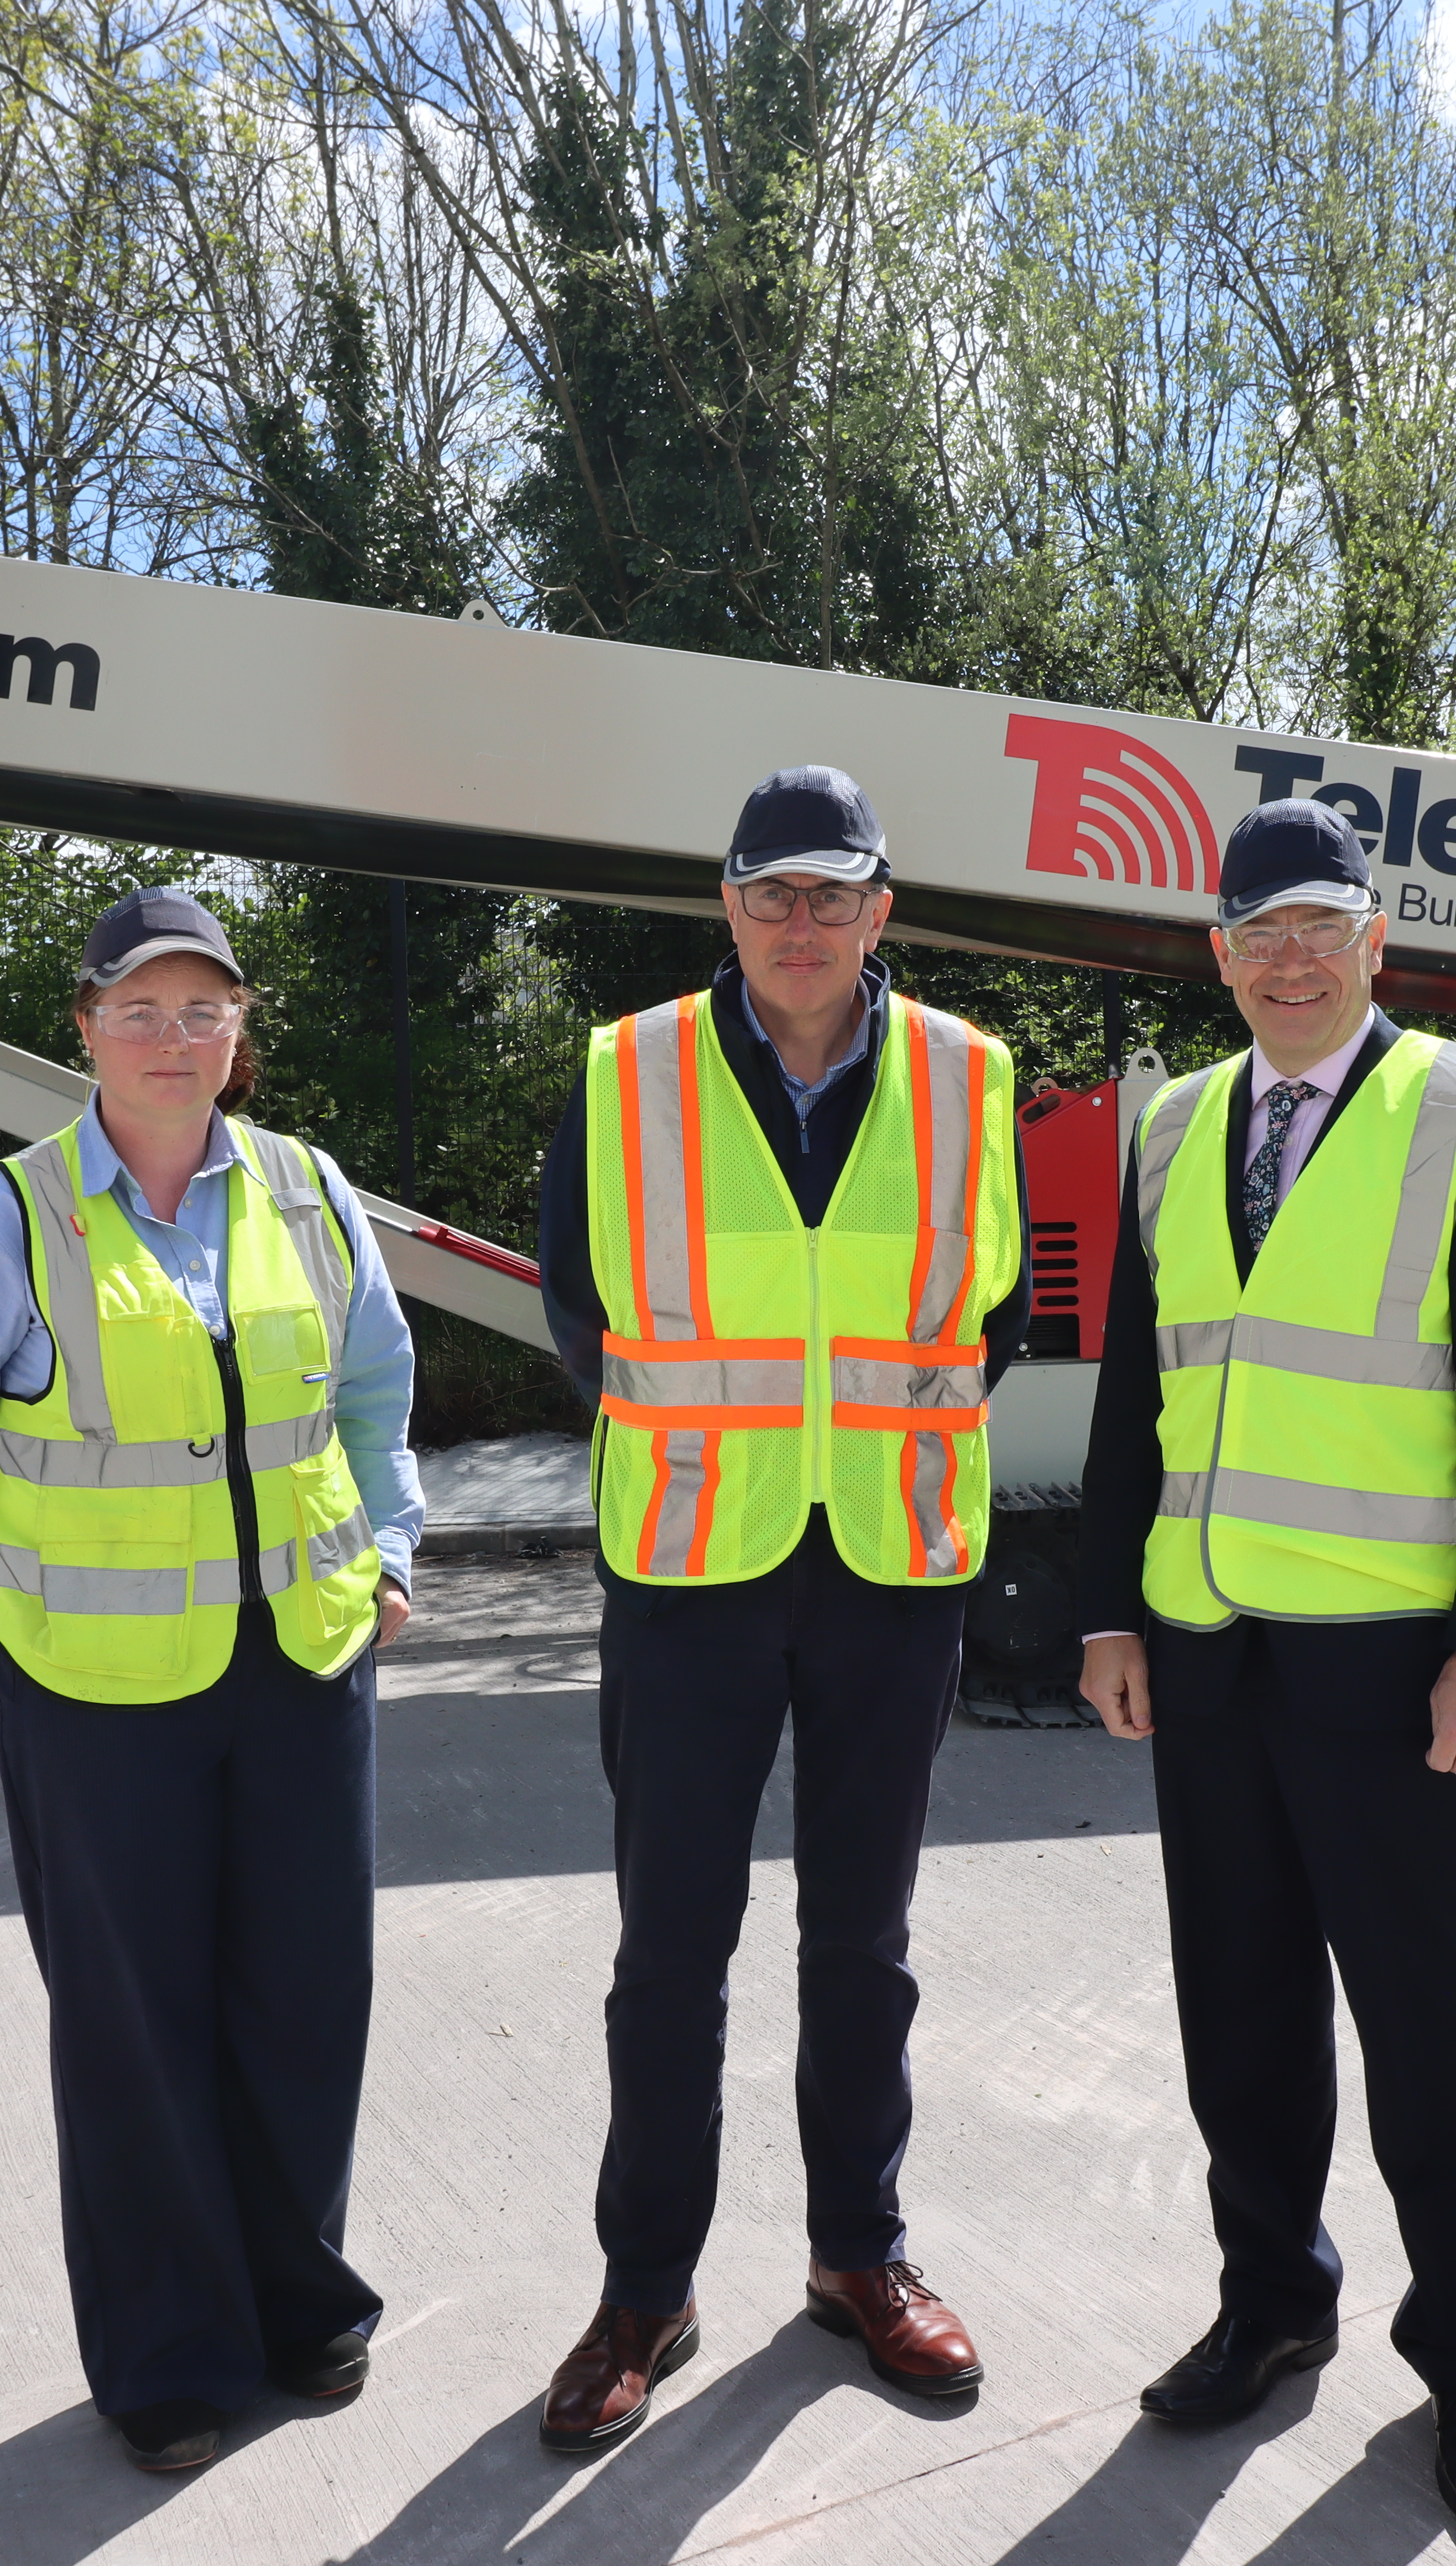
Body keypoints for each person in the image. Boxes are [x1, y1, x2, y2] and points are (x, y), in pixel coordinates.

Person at [0, 886, 426, 2476]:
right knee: (132, 2024)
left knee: (307, 1998)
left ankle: (299, 2299)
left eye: (206, 1012)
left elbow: (373, 1390)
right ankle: (171, 2355)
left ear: (240, 1036)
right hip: (96, 1689)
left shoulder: (307, 1198)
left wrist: (388, 1551)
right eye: (144, 1010)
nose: (177, 1040)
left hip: (305, 1660)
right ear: (87, 1024)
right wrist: (21, 1587)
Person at [1071, 797, 1456, 2537]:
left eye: (1319, 928)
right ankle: (1273, 2306)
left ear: (1375, 944)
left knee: (1428, 2029)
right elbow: (1136, 1389)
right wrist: (1110, 1611)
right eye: (1256, 933)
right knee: (1243, 2013)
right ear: (1219, 955)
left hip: (1383, 1657)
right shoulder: (1176, 1123)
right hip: (1204, 1649)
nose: (1288, 959)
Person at [526, 765, 1031, 2454]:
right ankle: (645, 2290)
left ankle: (857, 2259)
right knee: (670, 1953)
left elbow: (994, 1318)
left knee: (863, 1945)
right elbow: (581, 1312)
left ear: (884, 910)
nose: (801, 923)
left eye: (834, 894)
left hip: (891, 1569)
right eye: (771, 893)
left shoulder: (972, 1076)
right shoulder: (626, 1070)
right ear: (725, 908)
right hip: (689, 1570)